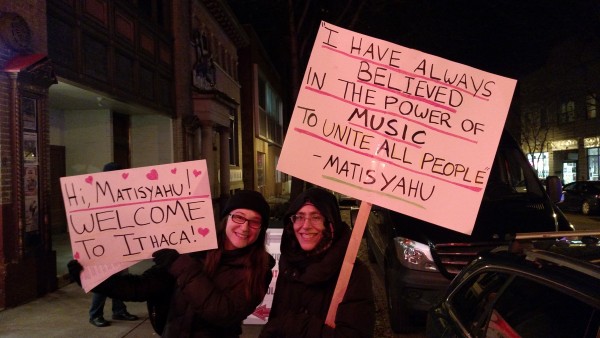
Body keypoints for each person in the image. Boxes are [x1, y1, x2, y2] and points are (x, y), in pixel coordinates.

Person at [68, 189, 275, 337]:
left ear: (261, 229)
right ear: (226, 219)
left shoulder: (260, 270)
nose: (245, 227)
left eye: (255, 221)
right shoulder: (196, 248)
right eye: (238, 217)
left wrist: (180, 264)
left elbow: (222, 313)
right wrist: (95, 280)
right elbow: (141, 288)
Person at [259, 187, 375, 337]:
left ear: (331, 223)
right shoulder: (290, 264)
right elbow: (276, 319)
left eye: (316, 217)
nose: (306, 226)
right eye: (299, 217)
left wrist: (291, 324)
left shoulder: (354, 273)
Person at [89, 161, 139, 327]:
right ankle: (95, 314)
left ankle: (119, 310)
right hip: (104, 244)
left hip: (121, 242)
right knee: (103, 278)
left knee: (120, 279)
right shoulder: (98, 195)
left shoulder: (122, 193)